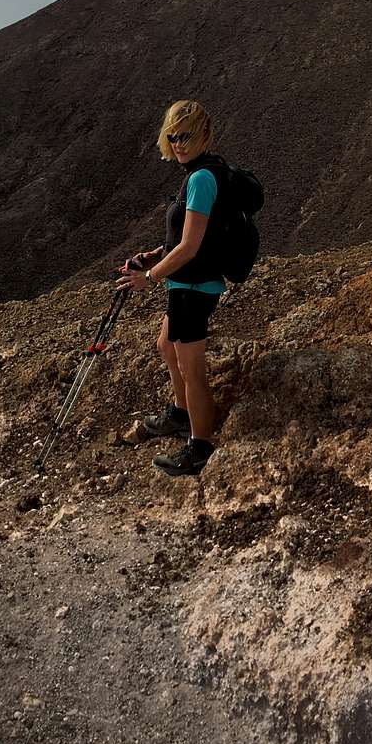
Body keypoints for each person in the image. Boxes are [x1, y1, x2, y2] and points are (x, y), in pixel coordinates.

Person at [119, 100, 229, 477]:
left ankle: (199, 446)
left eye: (188, 135)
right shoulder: (200, 173)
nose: (179, 143)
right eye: (173, 135)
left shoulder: (200, 179)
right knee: (166, 346)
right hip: (188, 281)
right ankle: (180, 415)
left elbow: (189, 247)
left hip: (193, 285)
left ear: (205, 136)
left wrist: (148, 279)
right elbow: (181, 239)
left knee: (191, 366)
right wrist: (153, 255)